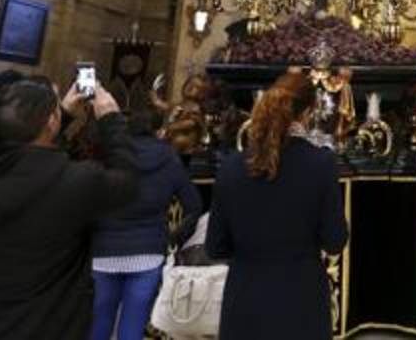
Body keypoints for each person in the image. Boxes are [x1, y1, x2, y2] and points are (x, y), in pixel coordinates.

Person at [0, 79, 138, 340]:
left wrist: (59, 116)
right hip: (42, 325)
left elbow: (24, 157)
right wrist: (111, 118)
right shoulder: (76, 182)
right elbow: (127, 182)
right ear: (50, 123)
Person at [207, 71, 348, 340]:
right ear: (308, 112)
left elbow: (215, 246)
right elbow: (334, 240)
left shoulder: (232, 167)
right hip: (301, 302)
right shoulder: (321, 164)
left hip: (244, 301)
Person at [89, 106, 202, 340]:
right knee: (132, 329)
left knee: (98, 326)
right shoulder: (169, 157)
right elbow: (194, 206)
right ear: (160, 131)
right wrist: (174, 238)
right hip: (148, 251)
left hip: (103, 251)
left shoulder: (109, 154)